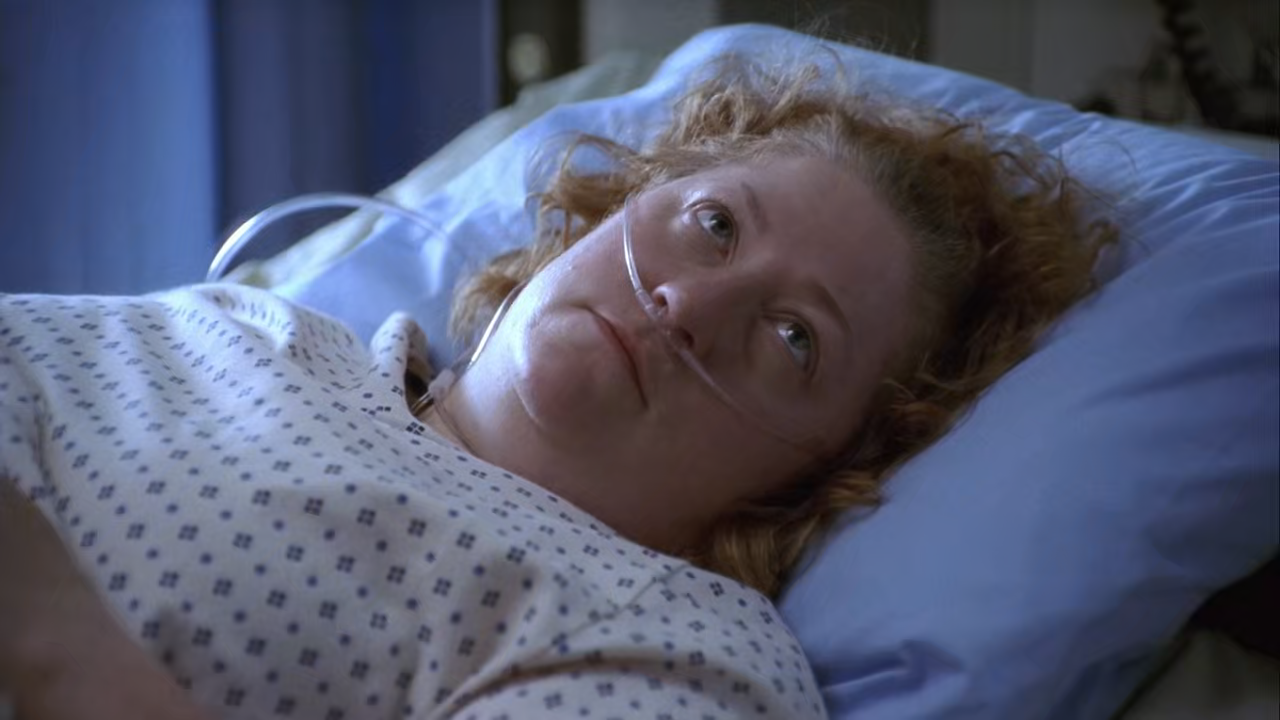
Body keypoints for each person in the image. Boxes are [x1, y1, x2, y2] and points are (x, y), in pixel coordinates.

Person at [0, 53, 1114, 720]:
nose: (687, 305)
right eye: (713, 226)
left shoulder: (680, 656)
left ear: (829, 469)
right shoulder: (254, 330)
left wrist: (55, 642)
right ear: (611, 206)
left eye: (792, 339)